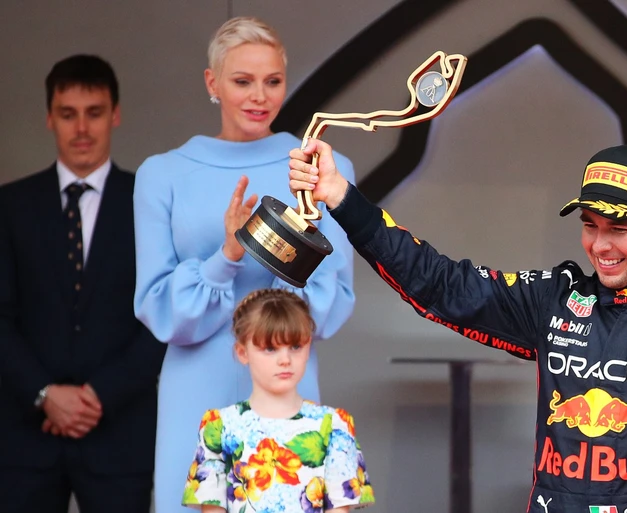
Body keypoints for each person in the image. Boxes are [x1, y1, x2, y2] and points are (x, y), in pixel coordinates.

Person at [287, 104, 627, 512]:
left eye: (619, 228)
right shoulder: (555, 300)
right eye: (590, 226)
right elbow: (439, 285)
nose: (600, 245)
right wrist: (341, 198)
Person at [133, 17, 356, 512]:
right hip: (194, 391)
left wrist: (283, 248)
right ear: (212, 83)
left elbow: (332, 305)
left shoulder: (321, 170)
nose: (260, 96)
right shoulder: (162, 175)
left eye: (272, 81)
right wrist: (228, 256)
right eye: (242, 81)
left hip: (286, 390)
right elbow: (157, 308)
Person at [0, 54, 165, 512]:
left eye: (94, 112)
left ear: (115, 114)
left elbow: (164, 316)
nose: (82, 129)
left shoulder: (150, 204)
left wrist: (99, 395)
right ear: (49, 117)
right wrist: (43, 393)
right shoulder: (10, 206)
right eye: (68, 114)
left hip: (120, 434)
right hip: (24, 437)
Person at [181, 289, 374, 513]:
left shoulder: (335, 426)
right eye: (270, 348)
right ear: (243, 352)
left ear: (308, 347)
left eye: (295, 346)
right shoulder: (218, 426)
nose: (285, 359)